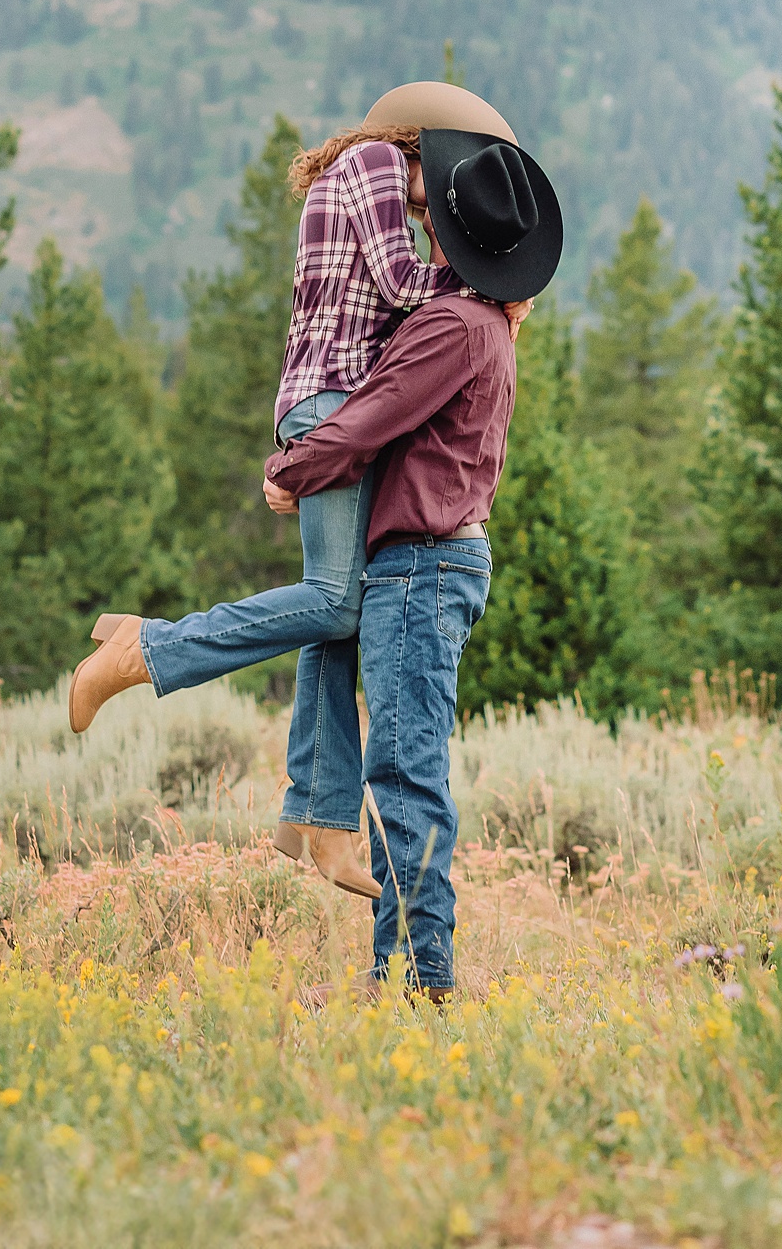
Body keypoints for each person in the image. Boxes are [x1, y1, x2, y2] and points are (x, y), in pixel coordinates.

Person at [66, 83, 547, 892]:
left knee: (341, 603)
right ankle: (147, 651)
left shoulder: (375, 175)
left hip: (334, 401)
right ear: (429, 148)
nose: (446, 219)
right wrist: (486, 291)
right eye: (451, 193)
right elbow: (400, 288)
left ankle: (319, 818)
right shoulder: (372, 163)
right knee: (336, 600)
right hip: (330, 402)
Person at [262, 118, 563, 995]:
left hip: (423, 568)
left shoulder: (450, 327)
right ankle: (398, 970)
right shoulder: (485, 325)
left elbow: (369, 415)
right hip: (436, 564)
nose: (425, 228)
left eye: (436, 226)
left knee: (405, 773)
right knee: (406, 768)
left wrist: (292, 468)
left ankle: (417, 975)